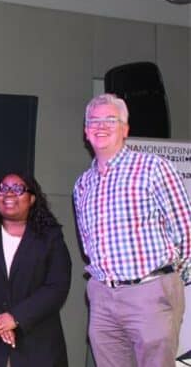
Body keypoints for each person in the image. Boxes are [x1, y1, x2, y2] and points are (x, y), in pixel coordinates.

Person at [73, 93, 191, 367]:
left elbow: (185, 229)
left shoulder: (153, 168)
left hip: (149, 292)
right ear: (86, 132)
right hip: (102, 298)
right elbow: (88, 246)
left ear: (125, 129)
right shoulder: (82, 185)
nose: (101, 126)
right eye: (94, 121)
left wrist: (169, 279)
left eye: (110, 120)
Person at [0, 173, 71, 367]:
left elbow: (57, 286)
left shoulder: (50, 237)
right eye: (2, 188)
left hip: (37, 343)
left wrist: (16, 318)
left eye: (18, 189)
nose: (8, 194)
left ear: (32, 198)